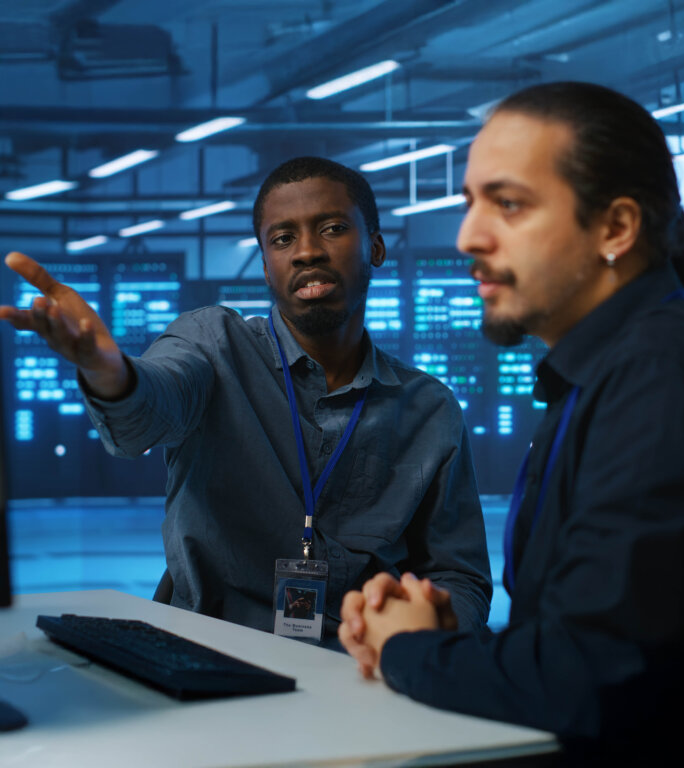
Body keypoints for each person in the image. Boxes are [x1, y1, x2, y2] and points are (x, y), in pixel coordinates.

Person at [339, 83, 684, 762]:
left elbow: (592, 679)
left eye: (508, 205)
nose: (468, 237)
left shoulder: (665, 382)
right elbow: (612, 640)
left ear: (616, 229)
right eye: (470, 202)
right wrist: (454, 642)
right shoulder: (609, 373)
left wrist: (410, 649)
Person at [0, 156, 492, 647]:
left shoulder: (429, 409)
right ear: (265, 264)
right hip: (204, 658)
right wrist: (108, 372)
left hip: (352, 671)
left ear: (376, 247)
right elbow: (143, 416)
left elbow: (460, 578)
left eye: (333, 228)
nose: (306, 252)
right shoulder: (212, 346)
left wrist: (428, 628)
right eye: (282, 239)